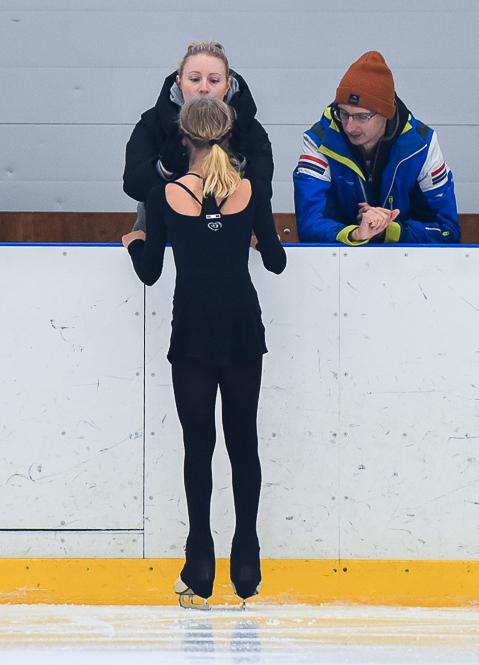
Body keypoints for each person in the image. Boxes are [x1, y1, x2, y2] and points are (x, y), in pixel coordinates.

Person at [123, 96, 286, 608]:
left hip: (193, 331)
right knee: (243, 442)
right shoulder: (250, 190)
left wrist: (135, 242)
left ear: (183, 138)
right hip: (241, 328)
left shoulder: (163, 194)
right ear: (229, 136)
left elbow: (150, 272)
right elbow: (277, 262)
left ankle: (199, 564)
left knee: (199, 446)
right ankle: (248, 560)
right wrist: (252, 237)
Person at [293, 50, 460, 245]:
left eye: (362, 117)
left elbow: (448, 232)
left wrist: (389, 230)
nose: (349, 126)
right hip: (336, 260)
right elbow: (308, 225)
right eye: (344, 114)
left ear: (386, 113)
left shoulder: (422, 145)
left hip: (407, 260)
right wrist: (356, 234)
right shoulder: (320, 140)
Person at [123, 41, 274, 229]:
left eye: (214, 81)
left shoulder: (248, 127)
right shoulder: (154, 123)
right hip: (161, 233)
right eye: (195, 79)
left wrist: (236, 161)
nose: (204, 88)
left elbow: (263, 190)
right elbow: (133, 185)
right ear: (180, 82)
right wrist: (166, 166)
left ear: (228, 85)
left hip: (230, 234)